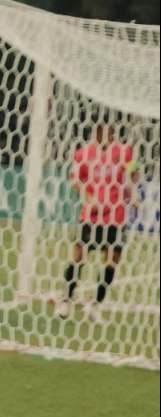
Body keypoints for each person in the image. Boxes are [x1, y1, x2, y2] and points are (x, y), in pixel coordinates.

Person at [56, 123, 137, 323]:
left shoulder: (124, 151)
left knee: (112, 259)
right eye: (101, 132)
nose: (105, 135)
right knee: (79, 256)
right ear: (95, 132)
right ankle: (65, 299)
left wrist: (134, 193)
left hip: (116, 215)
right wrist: (89, 198)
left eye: (109, 132)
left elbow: (133, 171)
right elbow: (75, 181)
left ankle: (94, 305)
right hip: (92, 216)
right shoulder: (83, 154)